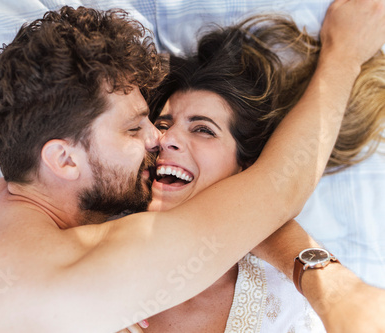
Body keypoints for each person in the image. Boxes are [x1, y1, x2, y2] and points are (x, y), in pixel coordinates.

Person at [0, 1, 385, 332]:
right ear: (63, 158)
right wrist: (343, 53)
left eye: (200, 129)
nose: (159, 140)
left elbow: (243, 213)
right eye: (136, 129)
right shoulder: (72, 277)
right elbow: (274, 191)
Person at [119, 13, 385, 333]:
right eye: (162, 125)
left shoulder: (284, 305)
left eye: (203, 129)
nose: (165, 139)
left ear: (244, 168)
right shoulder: (85, 243)